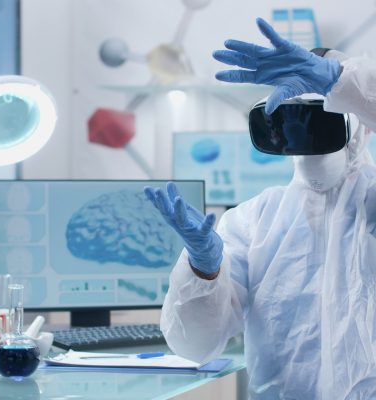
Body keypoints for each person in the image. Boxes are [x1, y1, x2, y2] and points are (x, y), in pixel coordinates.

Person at [144, 17, 376, 399]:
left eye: (322, 116)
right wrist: (203, 270)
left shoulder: (370, 204)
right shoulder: (255, 222)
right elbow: (194, 346)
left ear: (361, 125)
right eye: (294, 121)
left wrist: (340, 80)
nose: (304, 135)